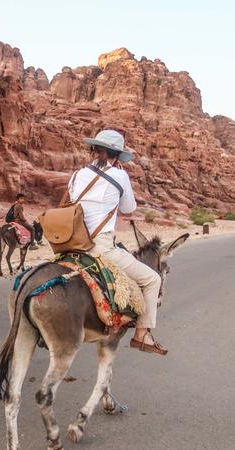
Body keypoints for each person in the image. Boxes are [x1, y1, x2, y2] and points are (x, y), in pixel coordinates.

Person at [68, 129, 166, 355]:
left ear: (94, 150)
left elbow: (74, 200)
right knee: (152, 280)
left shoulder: (77, 174)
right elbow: (128, 209)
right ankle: (142, 335)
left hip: (73, 242)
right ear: (116, 155)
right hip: (100, 246)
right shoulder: (120, 176)